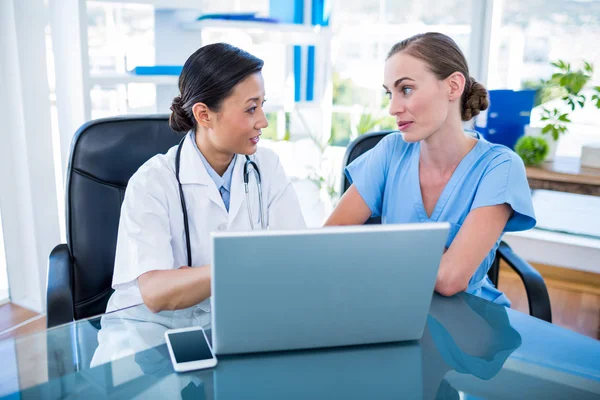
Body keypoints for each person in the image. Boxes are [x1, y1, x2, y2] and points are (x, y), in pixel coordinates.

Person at [325, 32, 536, 306]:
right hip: (392, 305)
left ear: (453, 86)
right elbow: (330, 239)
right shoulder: (391, 151)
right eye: (390, 93)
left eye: (407, 90)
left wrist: (379, 249)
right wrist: (437, 254)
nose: (392, 108)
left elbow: (451, 280)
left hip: (470, 320)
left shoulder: (499, 167)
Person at [106, 43, 305, 320]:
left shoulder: (267, 168)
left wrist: (190, 278)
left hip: (238, 322)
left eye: (262, 106)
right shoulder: (152, 183)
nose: (263, 121)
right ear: (204, 115)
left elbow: (295, 258)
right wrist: (243, 265)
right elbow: (155, 293)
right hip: (149, 337)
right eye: (250, 109)